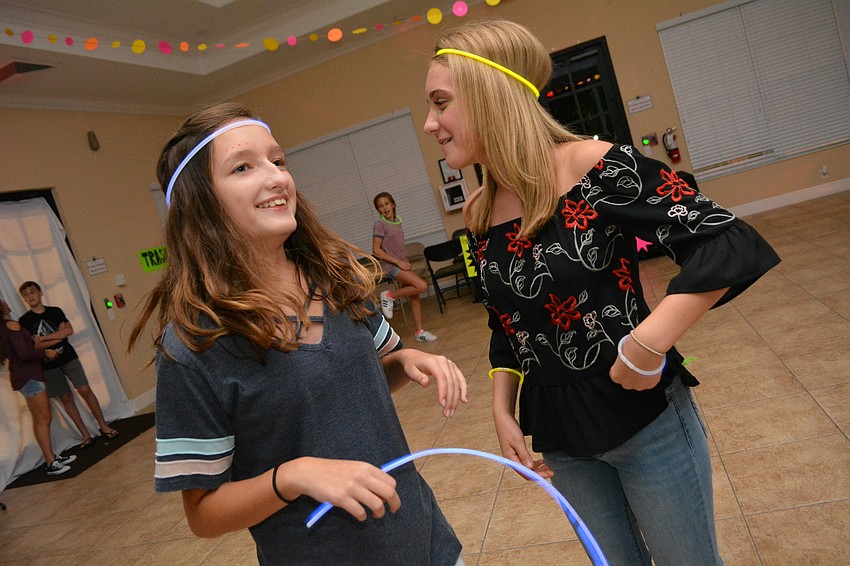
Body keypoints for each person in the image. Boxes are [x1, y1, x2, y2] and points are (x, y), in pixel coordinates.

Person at [423, 19, 780, 566]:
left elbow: (727, 241)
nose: (430, 123)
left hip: (645, 420)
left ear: (489, 96)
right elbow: (506, 323)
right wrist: (503, 409)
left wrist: (647, 343)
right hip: (561, 440)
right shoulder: (477, 212)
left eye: (441, 103)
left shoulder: (593, 166)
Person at [128, 102, 467, 565]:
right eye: (244, 166)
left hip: (425, 543)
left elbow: (360, 379)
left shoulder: (335, 277)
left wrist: (406, 362)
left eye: (278, 160)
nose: (276, 177)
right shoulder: (194, 344)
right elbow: (203, 515)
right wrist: (291, 476)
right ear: (200, 201)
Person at [18, 281, 118, 448]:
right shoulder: (24, 321)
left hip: (69, 357)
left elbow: (68, 332)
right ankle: (85, 435)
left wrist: (42, 338)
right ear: (24, 298)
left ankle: (103, 425)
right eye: (26, 294)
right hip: (48, 365)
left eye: (32, 291)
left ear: (40, 292)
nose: (30, 296)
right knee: (65, 397)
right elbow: (33, 347)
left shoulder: (55, 311)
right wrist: (57, 337)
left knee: (84, 389)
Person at [0, 299, 77, 476]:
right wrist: (45, 352)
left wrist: (33, 343)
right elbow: (25, 353)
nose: (6, 301)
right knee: (44, 418)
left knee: (39, 419)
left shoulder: (3, 328)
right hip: (30, 377)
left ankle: (51, 457)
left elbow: (21, 350)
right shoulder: (11, 325)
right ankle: (50, 462)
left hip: (23, 376)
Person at [372, 192, 438, 342]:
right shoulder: (380, 224)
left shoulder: (396, 222)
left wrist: (404, 261)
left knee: (414, 295)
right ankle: (389, 296)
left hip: (402, 263)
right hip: (391, 266)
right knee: (422, 285)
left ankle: (419, 332)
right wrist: (398, 262)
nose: (385, 208)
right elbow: (376, 250)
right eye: (380, 206)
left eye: (387, 204)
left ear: (393, 204)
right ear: (378, 210)